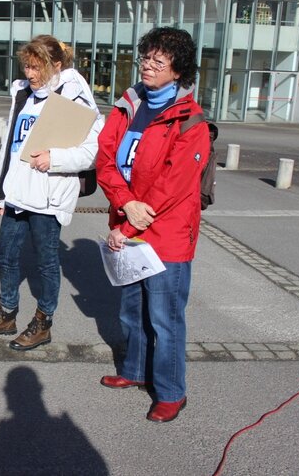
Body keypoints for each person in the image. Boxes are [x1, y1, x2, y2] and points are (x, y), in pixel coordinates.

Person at [95, 27, 210, 423]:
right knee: (132, 309)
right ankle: (135, 370)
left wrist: (128, 225)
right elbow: (105, 157)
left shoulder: (190, 121)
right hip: (128, 221)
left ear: (178, 71)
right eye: (146, 58)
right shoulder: (128, 104)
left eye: (159, 62)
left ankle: (171, 391)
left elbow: (172, 186)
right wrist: (125, 204)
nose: (147, 65)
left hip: (167, 234)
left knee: (165, 317)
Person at [0, 35, 104, 351]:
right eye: (27, 67)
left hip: (47, 196)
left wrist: (54, 159)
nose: (30, 74)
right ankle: (6, 313)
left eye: (37, 67)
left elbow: (93, 151)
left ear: (56, 65)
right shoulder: (23, 95)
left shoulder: (75, 98)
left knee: (46, 263)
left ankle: (43, 322)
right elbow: (9, 149)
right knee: (5, 255)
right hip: (17, 194)